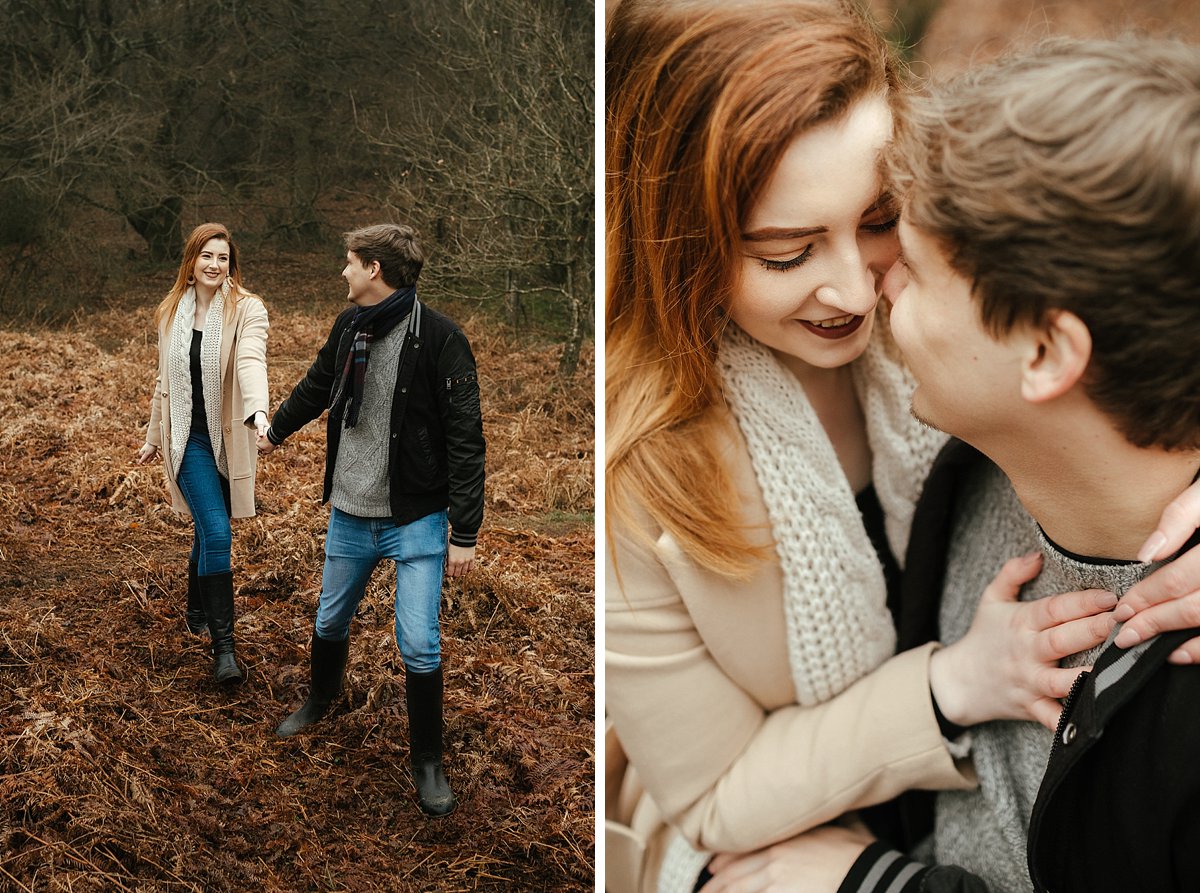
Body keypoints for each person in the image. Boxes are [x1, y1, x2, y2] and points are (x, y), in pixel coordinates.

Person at [604, 4, 1126, 892]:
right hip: (773, 850)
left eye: (880, 217)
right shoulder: (640, 472)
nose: (854, 288)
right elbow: (715, 792)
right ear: (679, 241)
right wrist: (947, 688)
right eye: (786, 251)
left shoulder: (963, 298)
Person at [705, 35, 1200, 893]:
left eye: (920, 270)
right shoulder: (966, 471)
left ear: (1045, 350)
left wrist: (882, 886)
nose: (874, 290)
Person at [257, 222, 484, 817]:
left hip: (418, 519)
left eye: (349, 262)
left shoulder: (440, 338)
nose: (343, 271)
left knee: (418, 641)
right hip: (351, 514)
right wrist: (276, 430)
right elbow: (318, 385)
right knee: (330, 616)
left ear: (375, 270)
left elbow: (466, 438)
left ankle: (428, 764)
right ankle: (319, 700)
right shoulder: (349, 326)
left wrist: (466, 531)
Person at [136, 222, 270, 685]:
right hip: (186, 441)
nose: (215, 265)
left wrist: (259, 412)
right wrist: (154, 437)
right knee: (217, 530)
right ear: (191, 263)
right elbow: (163, 383)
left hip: (227, 439)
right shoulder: (172, 312)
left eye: (223, 258)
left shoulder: (247, 310)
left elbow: (252, 362)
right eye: (207, 256)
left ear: (231, 265)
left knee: (207, 528)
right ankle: (224, 650)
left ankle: (196, 605)